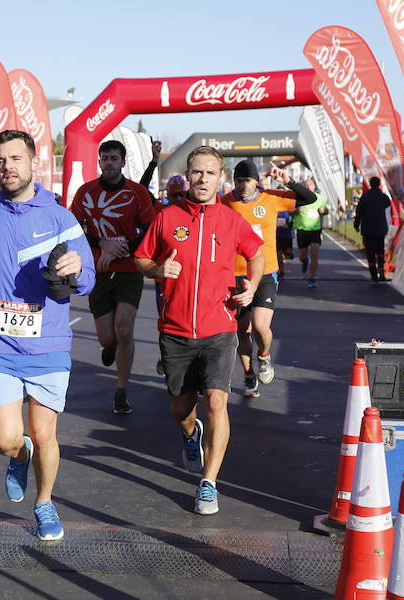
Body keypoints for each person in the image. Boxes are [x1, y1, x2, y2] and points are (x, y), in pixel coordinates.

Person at [0, 129, 95, 541]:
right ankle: (18, 455)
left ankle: (45, 503)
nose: (7, 166)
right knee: (4, 437)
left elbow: (87, 277)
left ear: (34, 163)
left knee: (45, 432)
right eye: (1, 159)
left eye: (16, 158)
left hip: (49, 343)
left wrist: (75, 269)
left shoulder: (60, 217)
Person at [135, 145, 264, 515]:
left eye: (210, 173)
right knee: (181, 409)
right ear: (188, 175)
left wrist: (252, 287)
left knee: (217, 401)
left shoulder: (232, 220)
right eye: (196, 172)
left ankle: (209, 483)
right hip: (175, 330)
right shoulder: (167, 217)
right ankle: (192, 435)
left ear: (219, 177)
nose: (203, 179)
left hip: (219, 327)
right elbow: (141, 257)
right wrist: (157, 270)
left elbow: (256, 254)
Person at [71, 140, 155, 414]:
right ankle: (111, 347)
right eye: (104, 158)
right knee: (108, 339)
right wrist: (101, 245)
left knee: (125, 327)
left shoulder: (137, 192)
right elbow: (73, 229)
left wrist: (123, 248)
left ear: (123, 161)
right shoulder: (85, 193)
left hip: (130, 268)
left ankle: (121, 390)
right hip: (97, 270)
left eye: (114, 158)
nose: (109, 162)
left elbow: (150, 229)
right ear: (99, 161)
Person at [221, 159, 316, 398]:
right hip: (236, 275)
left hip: (265, 273)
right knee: (242, 332)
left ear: (257, 181)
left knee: (261, 328)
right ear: (234, 181)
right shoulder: (224, 203)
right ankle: (249, 374)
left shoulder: (271, 198)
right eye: (239, 181)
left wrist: (287, 181)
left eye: (248, 180)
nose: (243, 185)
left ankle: (263, 356)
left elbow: (310, 199)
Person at [354, 176, 392, 283]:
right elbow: (388, 203)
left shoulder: (365, 198)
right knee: (380, 250)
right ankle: (381, 269)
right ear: (379, 184)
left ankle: (373, 274)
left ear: (370, 184)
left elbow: (359, 213)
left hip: (368, 228)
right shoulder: (383, 197)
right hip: (380, 228)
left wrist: (356, 225)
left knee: (370, 252)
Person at [293, 178, 328, 288]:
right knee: (302, 256)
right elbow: (289, 212)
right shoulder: (298, 198)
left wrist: (323, 211)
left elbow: (326, 211)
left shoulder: (320, 198)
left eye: (311, 185)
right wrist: (297, 211)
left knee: (314, 251)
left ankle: (312, 278)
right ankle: (304, 262)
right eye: (306, 185)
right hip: (302, 230)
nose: (308, 187)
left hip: (315, 230)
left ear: (314, 186)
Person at [275, 210, 293, 280]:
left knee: (287, 255)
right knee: (279, 253)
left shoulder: (289, 209)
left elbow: (295, 220)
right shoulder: (275, 208)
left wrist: (288, 225)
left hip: (287, 235)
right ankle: (281, 271)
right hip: (277, 234)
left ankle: (288, 254)